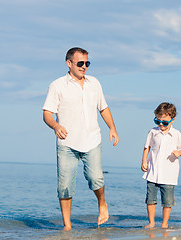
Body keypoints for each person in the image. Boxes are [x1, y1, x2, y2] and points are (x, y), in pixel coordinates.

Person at [42, 47, 119, 231]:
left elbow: (103, 108)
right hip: (67, 143)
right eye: (80, 63)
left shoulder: (95, 83)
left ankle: (102, 203)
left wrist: (112, 128)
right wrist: (56, 126)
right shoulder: (57, 85)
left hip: (92, 139)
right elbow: (47, 114)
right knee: (65, 186)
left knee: (96, 178)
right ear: (69, 63)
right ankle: (67, 226)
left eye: (87, 63)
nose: (84, 67)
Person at [141, 102, 181, 229]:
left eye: (165, 122)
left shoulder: (177, 134)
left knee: (167, 201)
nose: (161, 124)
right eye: (158, 121)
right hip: (152, 172)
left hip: (169, 173)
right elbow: (147, 147)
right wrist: (144, 161)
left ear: (172, 120)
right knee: (150, 199)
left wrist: (178, 152)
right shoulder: (152, 132)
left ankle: (164, 224)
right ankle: (151, 223)